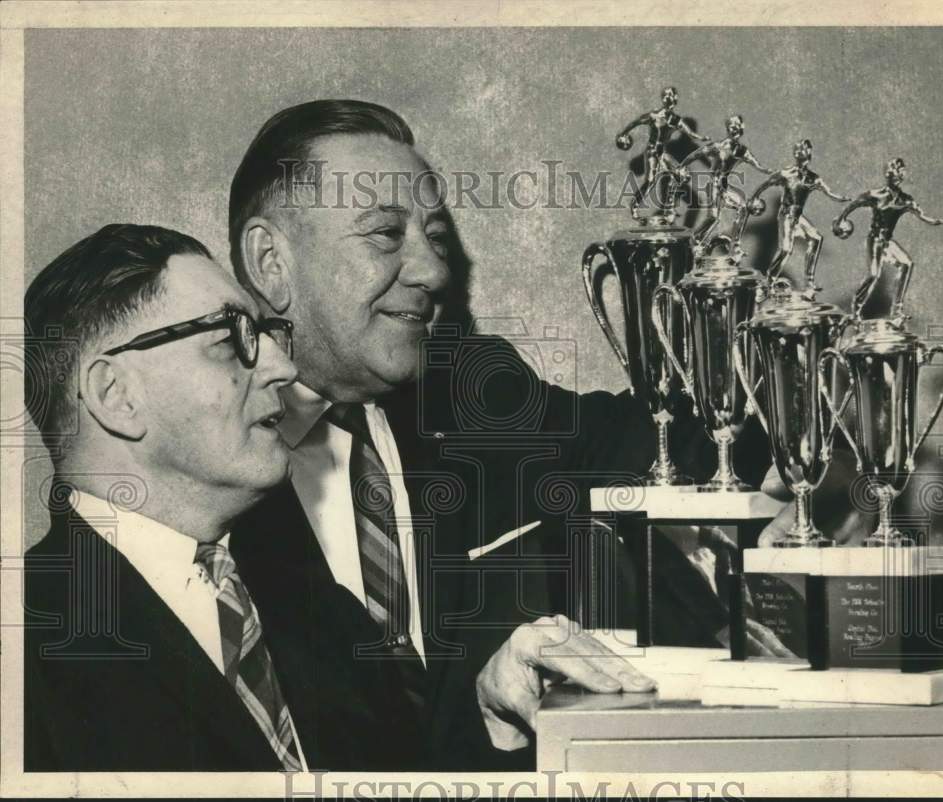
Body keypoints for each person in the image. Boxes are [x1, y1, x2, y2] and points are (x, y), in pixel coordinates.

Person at [227, 100, 658, 769]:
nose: (433, 272)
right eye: (385, 235)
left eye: (433, 236)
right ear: (270, 263)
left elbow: (649, 442)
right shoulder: (201, 462)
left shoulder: (478, 397)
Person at [21, 224, 435, 771]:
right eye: (229, 340)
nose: (283, 368)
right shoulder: (23, 653)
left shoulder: (323, 612)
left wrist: (493, 722)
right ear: (115, 395)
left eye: (264, 336)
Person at [833, 157, 943, 325]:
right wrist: (841, 220)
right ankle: (856, 307)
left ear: (900, 177)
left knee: (906, 263)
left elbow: (921, 215)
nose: (891, 176)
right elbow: (854, 204)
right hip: (875, 240)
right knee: (873, 274)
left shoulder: (905, 200)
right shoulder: (875, 195)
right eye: (890, 173)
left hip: (887, 242)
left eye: (895, 173)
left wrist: (935, 221)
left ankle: (897, 309)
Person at [743, 139, 850, 298]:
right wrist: (753, 199)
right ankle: (768, 282)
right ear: (795, 154)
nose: (801, 152)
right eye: (798, 149)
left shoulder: (813, 178)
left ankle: (810, 282)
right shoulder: (787, 173)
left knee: (816, 238)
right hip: (786, 215)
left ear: (809, 153)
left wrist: (843, 199)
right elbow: (765, 184)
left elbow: (829, 193)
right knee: (786, 249)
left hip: (798, 218)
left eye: (804, 149)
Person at [678, 114, 771, 251]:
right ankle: (694, 240)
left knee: (743, 208)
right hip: (714, 186)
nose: (735, 129)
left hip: (724, 187)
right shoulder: (717, 146)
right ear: (728, 128)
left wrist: (769, 171)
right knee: (714, 218)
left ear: (741, 129)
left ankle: (735, 245)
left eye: (738, 126)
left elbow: (757, 165)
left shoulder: (742, 151)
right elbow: (696, 155)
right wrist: (682, 165)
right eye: (733, 126)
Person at [615, 86, 708, 222]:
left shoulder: (675, 120)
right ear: (663, 99)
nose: (669, 98)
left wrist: (701, 138)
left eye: (672, 96)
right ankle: (634, 206)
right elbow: (635, 123)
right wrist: (624, 134)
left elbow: (690, 133)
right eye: (667, 96)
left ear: (675, 100)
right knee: (650, 181)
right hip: (652, 152)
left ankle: (669, 208)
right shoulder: (654, 116)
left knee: (682, 174)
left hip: (662, 154)